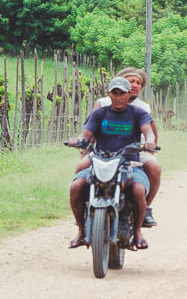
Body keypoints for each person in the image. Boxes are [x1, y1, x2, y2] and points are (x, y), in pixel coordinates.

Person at [66, 77, 157, 250]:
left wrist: (149, 141)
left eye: (121, 93)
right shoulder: (100, 113)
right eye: (114, 93)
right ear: (109, 94)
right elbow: (86, 134)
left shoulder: (137, 113)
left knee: (138, 190)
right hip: (100, 160)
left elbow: (148, 131)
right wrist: (78, 140)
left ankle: (137, 233)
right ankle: (81, 231)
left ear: (128, 94)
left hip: (129, 163)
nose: (117, 97)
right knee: (75, 187)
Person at [80, 66, 162, 227]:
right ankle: (85, 206)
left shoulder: (142, 108)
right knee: (80, 170)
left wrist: (149, 145)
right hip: (103, 150)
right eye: (131, 81)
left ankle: (145, 208)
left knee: (154, 167)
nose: (135, 85)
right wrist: (84, 150)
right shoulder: (102, 104)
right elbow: (89, 130)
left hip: (134, 149)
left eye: (138, 82)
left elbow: (151, 132)